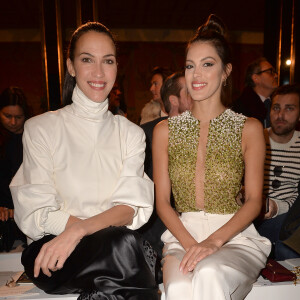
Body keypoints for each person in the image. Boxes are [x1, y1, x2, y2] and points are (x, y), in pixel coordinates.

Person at [10, 22, 157, 299]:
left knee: (122, 248)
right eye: (87, 59)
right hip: (51, 253)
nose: (99, 72)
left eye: (108, 61)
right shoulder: (40, 128)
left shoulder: (131, 134)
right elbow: (37, 210)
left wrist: (80, 231)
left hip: (116, 248)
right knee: (127, 247)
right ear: (71, 66)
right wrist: (79, 233)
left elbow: (129, 208)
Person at [152, 15, 271, 299]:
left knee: (208, 272)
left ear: (226, 71)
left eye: (208, 64)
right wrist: (193, 244)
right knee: (179, 287)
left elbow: (254, 201)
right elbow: (162, 203)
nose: (197, 74)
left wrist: (213, 242)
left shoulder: (250, 128)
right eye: (190, 66)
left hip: (235, 237)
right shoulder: (164, 131)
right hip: (182, 236)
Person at [138, 71, 192, 283]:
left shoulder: (209, 133)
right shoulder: (145, 135)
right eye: (189, 91)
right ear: (173, 100)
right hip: (156, 238)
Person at [255, 84, 300, 260]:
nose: (280, 115)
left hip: (288, 218)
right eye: (276, 108)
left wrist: (276, 207)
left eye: (289, 108)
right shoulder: (255, 139)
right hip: (250, 219)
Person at [0, 87, 28, 250]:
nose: (13, 122)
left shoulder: (33, 135)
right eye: (7, 116)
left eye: (18, 117)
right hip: (4, 212)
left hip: (24, 208)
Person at [232, 57, 278, 128]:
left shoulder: (278, 102)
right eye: (270, 72)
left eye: (274, 72)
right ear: (256, 78)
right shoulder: (240, 109)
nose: (276, 76)